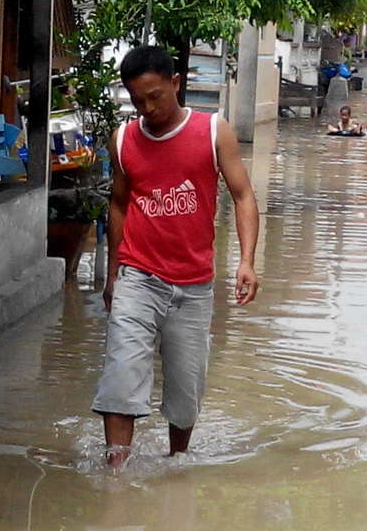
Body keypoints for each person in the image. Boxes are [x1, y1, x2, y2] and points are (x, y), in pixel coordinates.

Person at [92, 46, 260, 468]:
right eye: (138, 101)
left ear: (175, 83)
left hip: (194, 285)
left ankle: (176, 463)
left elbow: (243, 196)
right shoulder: (123, 140)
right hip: (137, 277)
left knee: (186, 393)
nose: (148, 108)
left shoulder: (213, 131)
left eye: (155, 97)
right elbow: (118, 205)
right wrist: (113, 276)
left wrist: (246, 261)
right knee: (121, 376)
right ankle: (115, 477)